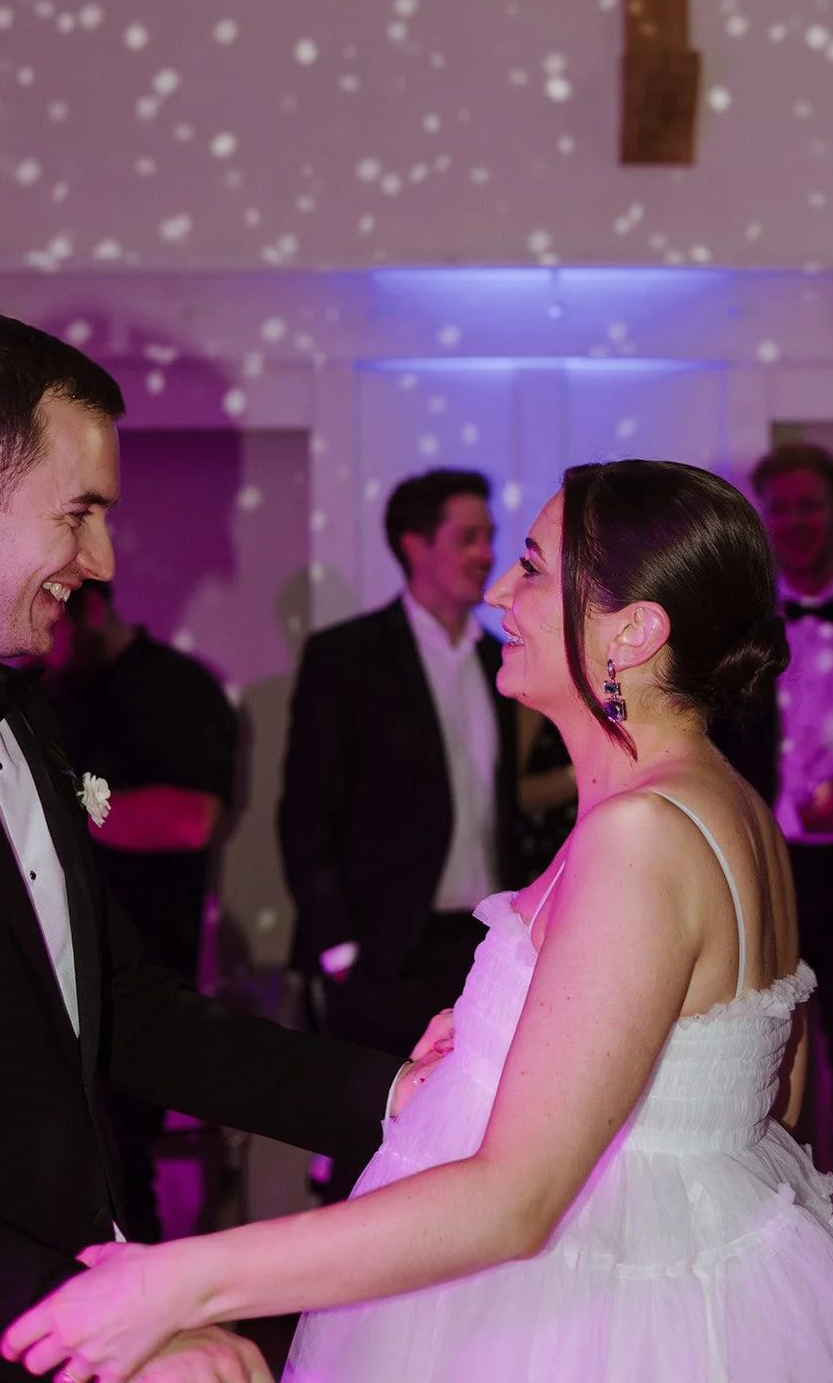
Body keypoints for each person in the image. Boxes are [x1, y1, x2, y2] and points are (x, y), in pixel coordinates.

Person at [3, 459, 833, 1383]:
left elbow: (517, 1201)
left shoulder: (642, 832)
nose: (501, 593)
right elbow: (766, 1093)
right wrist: (493, 1051)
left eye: (533, 567)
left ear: (632, 633)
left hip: (594, 1317)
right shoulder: (731, 806)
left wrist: (179, 1281)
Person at [0, 306, 431, 1383]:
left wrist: (396, 1092)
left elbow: (128, 1012)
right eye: (79, 514)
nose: (101, 559)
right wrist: (80, 1315)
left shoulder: (19, 714)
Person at [277, 468, 517, 1196]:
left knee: (473, 1146)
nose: (486, 553)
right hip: (381, 952)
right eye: (468, 537)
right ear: (416, 545)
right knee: (370, 1154)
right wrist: (342, 949)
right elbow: (305, 812)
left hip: (479, 949)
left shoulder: (498, 657)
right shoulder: (347, 656)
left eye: (489, 537)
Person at [716, 441, 833, 1305]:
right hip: (768, 886)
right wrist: (786, 819)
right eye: (779, 508)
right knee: (765, 1099)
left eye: (808, 506)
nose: (794, 523)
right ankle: (786, 1298)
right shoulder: (737, 631)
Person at [41, 579, 240, 1243]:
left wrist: (54, 813)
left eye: (58, 619)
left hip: (141, 974)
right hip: (44, 974)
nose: (46, 644)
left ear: (91, 608)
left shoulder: (180, 689)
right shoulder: (37, 692)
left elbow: (191, 819)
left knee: (124, 1173)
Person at [509, 705, 577, 880]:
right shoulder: (537, 692)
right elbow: (508, 793)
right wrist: (594, 773)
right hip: (547, 859)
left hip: (599, 851)